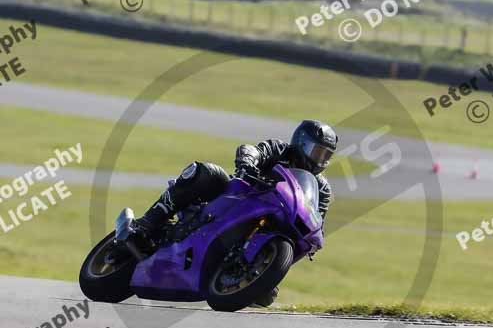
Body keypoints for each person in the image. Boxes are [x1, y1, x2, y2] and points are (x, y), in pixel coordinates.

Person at [120, 120, 338, 304]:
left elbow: (318, 215)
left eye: (326, 155)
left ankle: (250, 268)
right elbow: (253, 150)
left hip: (277, 221)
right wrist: (248, 162)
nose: (320, 159)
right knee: (205, 173)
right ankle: (146, 224)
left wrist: (315, 236)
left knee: (269, 293)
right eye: (317, 151)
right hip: (241, 198)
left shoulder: (322, 188)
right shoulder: (280, 150)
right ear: (301, 143)